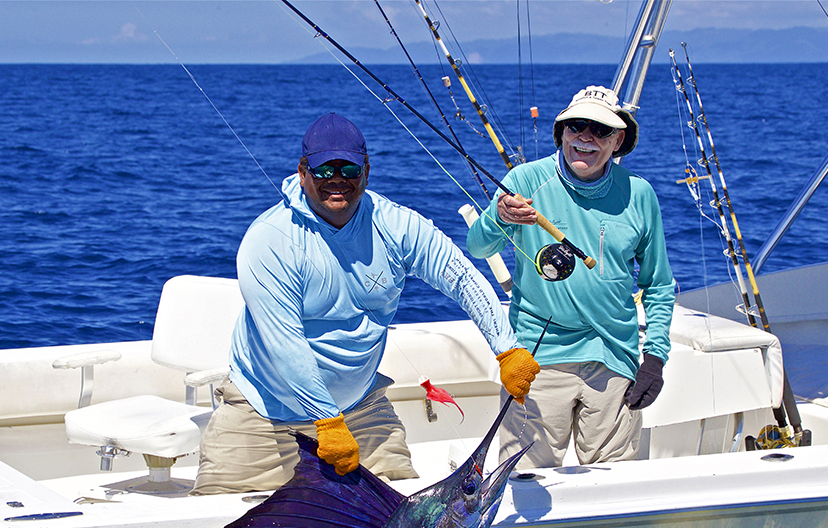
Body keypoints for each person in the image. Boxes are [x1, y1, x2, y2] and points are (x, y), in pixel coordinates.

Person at [192, 113, 539, 494]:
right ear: (303, 171)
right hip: (264, 415)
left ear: (367, 171)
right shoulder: (271, 239)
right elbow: (283, 344)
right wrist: (327, 421)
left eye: (349, 168)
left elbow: (461, 275)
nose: (337, 178)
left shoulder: (395, 225)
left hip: (361, 409)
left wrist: (507, 348)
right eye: (324, 168)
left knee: (405, 526)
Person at [466, 86, 675, 468]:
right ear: (561, 133)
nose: (586, 137)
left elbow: (658, 284)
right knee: (522, 482)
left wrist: (655, 358)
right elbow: (477, 246)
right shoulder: (526, 179)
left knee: (614, 489)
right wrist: (500, 217)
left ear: (618, 140)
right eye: (576, 126)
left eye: (600, 130)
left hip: (614, 358)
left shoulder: (639, 194)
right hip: (538, 358)